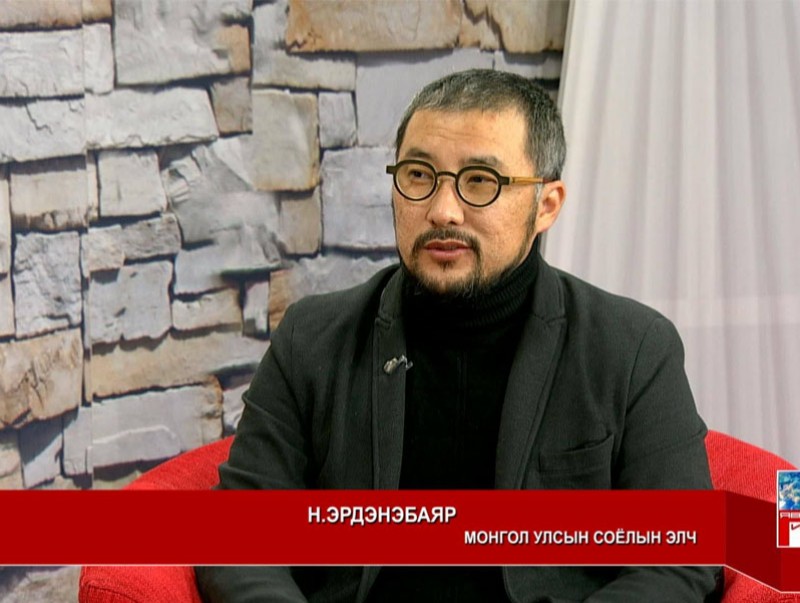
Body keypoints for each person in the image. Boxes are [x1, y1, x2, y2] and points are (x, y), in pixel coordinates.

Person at [196, 69, 720, 602]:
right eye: (418, 175)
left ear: (546, 204)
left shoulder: (633, 349)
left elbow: (681, 558)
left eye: (480, 181)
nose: (442, 211)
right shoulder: (312, 338)